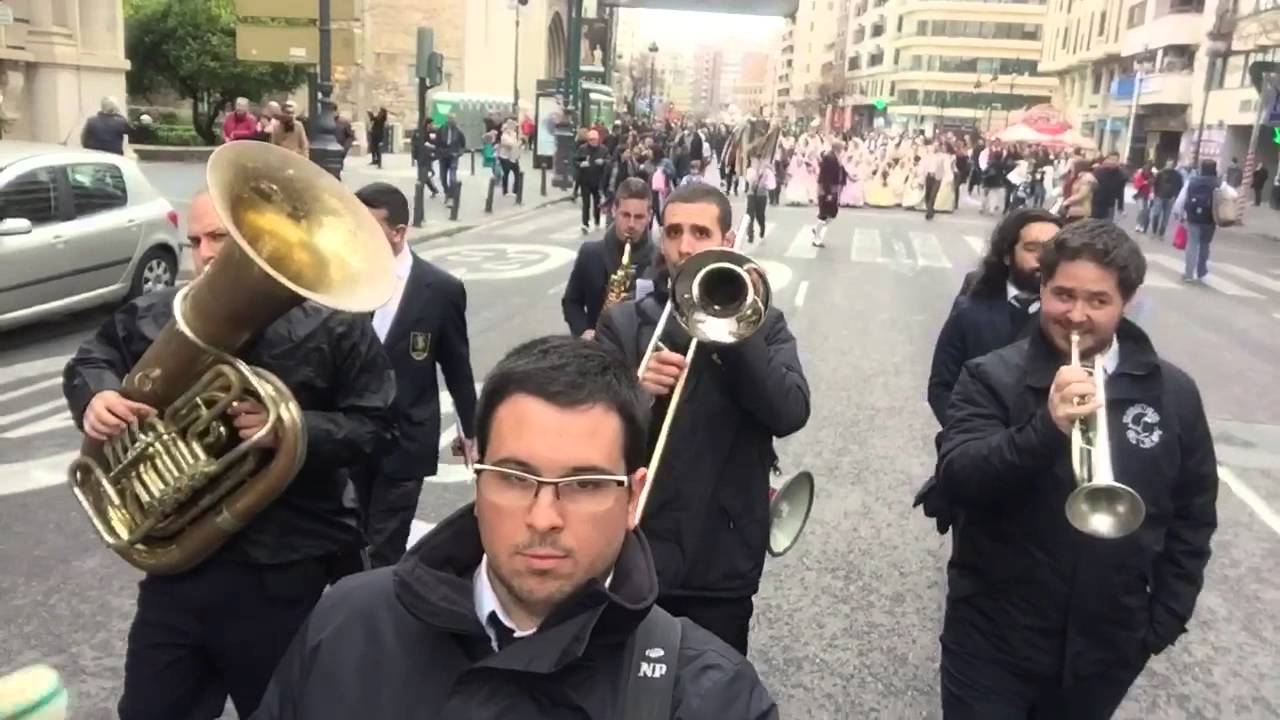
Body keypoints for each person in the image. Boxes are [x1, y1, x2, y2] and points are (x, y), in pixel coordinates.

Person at [249, 336, 780, 719]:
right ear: (477, 480)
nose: (543, 518)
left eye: (586, 484)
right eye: (514, 477)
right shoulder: (343, 624)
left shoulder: (712, 696)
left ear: (633, 496)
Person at [62, 190, 396, 720]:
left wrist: (288, 428)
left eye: (221, 237)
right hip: (180, 570)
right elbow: (92, 358)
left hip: (286, 568)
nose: (207, 254)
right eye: (195, 240)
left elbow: (376, 426)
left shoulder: (332, 325)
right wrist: (96, 395)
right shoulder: (154, 315)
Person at [935, 220, 1218, 719]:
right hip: (992, 639)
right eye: (1063, 294)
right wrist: (1046, 427)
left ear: (1125, 301)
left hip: (1106, 647)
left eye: (1098, 300)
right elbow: (961, 475)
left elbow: (1193, 514)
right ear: (1042, 287)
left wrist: (1162, 621)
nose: (1077, 315)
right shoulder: (991, 375)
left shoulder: (1172, 393)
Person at [595, 183, 811, 655]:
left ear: (727, 242)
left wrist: (735, 331)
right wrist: (637, 391)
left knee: (712, 695)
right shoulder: (626, 324)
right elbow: (585, 434)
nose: (685, 246)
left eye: (699, 232)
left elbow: (790, 410)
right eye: (673, 232)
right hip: (636, 552)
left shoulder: (766, 325)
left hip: (721, 561)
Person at [353, 182, 478, 568]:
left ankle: (372, 619)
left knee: (383, 547)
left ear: (398, 232)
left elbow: (457, 366)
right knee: (346, 539)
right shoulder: (341, 278)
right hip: (349, 438)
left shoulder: (439, 289)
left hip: (405, 440)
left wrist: (472, 431)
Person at [914, 208, 1062, 535]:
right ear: (1008, 254)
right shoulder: (971, 310)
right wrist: (972, 437)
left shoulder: (1069, 321)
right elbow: (942, 384)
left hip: (1045, 466)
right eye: (1033, 249)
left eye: (1054, 249)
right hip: (979, 461)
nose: (1044, 259)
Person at [561, 178, 659, 340]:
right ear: (614, 210)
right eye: (626, 215)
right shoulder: (590, 253)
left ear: (650, 216)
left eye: (639, 217)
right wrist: (584, 331)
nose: (631, 225)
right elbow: (571, 303)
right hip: (595, 350)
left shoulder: (659, 261)